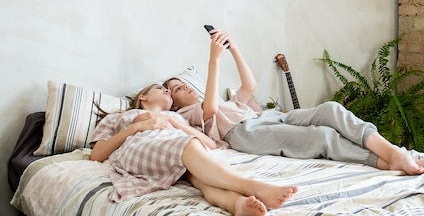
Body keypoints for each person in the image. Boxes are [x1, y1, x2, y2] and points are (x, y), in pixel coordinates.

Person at [164, 28, 424, 175]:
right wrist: (213, 60)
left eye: (183, 83)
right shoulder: (186, 115)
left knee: (332, 109)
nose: (184, 87)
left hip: (266, 118)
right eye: (176, 88)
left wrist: (233, 48)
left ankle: (394, 152)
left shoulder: (228, 103)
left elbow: (249, 86)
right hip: (244, 135)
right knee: (321, 137)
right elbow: (209, 109)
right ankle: (394, 160)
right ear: (175, 103)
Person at [89, 83, 297, 216]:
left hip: (179, 153)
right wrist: (137, 126)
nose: (166, 90)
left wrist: (173, 121)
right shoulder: (122, 117)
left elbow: (211, 145)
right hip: (142, 147)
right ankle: (251, 186)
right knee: (189, 146)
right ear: (143, 97)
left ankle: (237, 204)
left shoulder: (178, 117)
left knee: (203, 179)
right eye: (159, 88)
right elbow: (97, 154)